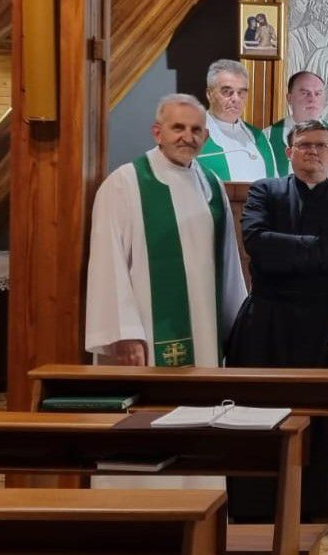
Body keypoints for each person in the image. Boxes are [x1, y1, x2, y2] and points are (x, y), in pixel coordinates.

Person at [224, 119, 328, 523]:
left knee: (323, 416)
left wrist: (291, 252)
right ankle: (254, 505)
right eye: (304, 144)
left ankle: (315, 504)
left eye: (321, 145)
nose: (313, 152)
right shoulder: (265, 191)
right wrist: (322, 251)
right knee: (258, 411)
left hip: (325, 324)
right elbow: (257, 243)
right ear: (289, 152)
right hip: (267, 322)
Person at [85, 93, 247, 368]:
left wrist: (237, 324)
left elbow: (229, 264)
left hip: (207, 328)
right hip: (145, 333)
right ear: (157, 133)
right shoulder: (126, 183)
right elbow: (107, 263)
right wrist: (123, 333)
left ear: (206, 137)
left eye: (196, 130)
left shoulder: (212, 184)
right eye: (178, 128)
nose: (188, 137)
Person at [264, 72, 328, 185]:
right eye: (305, 93)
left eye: (317, 94)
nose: (312, 99)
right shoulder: (267, 138)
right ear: (289, 98)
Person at [198, 59, 276, 183]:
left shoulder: (259, 138)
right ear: (209, 94)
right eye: (227, 92)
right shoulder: (193, 135)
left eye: (241, 93)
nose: (236, 98)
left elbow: (274, 184)